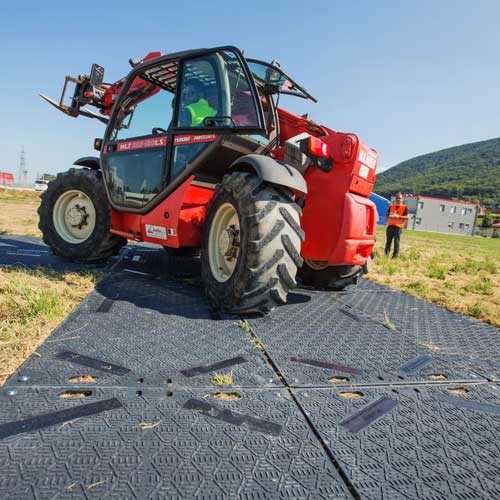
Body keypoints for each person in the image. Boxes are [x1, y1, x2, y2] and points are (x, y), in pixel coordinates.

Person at [385, 193, 409, 258]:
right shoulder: (391, 206)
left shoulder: (404, 207)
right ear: (395, 199)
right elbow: (386, 215)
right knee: (388, 242)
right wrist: (390, 215)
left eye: (400, 198)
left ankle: (395, 257)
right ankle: (386, 255)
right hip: (390, 226)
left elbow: (407, 217)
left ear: (402, 199)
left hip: (398, 227)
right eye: (397, 198)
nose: (398, 199)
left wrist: (398, 216)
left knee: (396, 242)